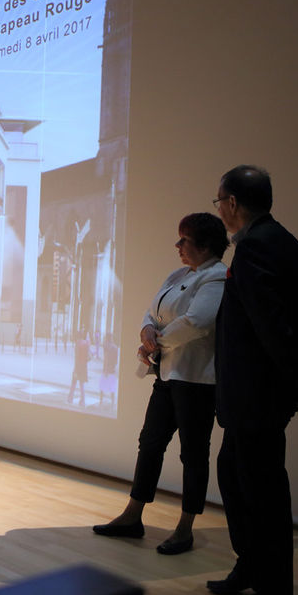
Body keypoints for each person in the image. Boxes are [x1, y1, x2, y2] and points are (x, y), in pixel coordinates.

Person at [208, 165, 298, 595]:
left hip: (255, 397)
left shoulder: (255, 248)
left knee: (262, 496)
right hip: (258, 397)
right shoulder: (288, 245)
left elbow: (274, 328)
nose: (218, 209)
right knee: (236, 477)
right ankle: (252, 568)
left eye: (219, 200)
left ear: (233, 204)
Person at [93, 213, 228, 555]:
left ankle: (185, 527)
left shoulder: (217, 278)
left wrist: (157, 342)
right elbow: (151, 312)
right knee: (150, 444)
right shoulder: (179, 274)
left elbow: (196, 323)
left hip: (196, 381)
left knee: (193, 454)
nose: (178, 246)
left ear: (204, 244)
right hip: (167, 375)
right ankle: (133, 515)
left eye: (184, 240)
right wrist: (146, 331)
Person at [66, 331, 90, 405]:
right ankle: (82, 400)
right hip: (84, 366)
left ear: (77, 336)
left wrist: (75, 368)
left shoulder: (77, 343)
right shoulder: (86, 343)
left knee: (74, 382)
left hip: (78, 366)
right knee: (81, 384)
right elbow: (88, 357)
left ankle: (70, 398)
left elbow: (76, 356)